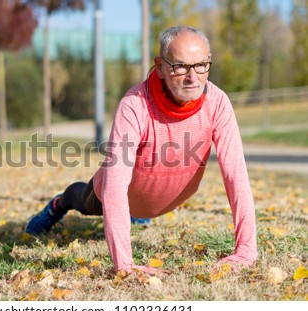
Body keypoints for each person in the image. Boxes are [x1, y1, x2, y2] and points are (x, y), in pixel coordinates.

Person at [25, 25, 257, 275]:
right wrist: (125, 265)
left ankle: (134, 216)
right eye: (180, 66)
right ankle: (58, 204)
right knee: (80, 198)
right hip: (118, 194)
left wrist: (246, 249)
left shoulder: (218, 103)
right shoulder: (135, 105)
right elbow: (114, 185)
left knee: (135, 209)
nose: (193, 77)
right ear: (160, 67)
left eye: (201, 65)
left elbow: (236, 175)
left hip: (167, 198)